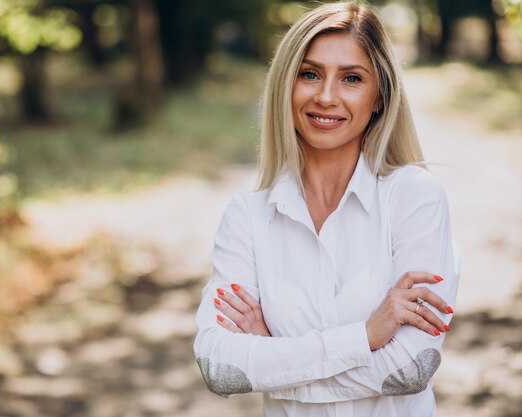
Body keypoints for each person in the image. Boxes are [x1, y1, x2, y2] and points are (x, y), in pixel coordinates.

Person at [193, 1, 460, 416]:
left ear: (380, 97)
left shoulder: (414, 197)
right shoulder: (246, 216)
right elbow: (220, 367)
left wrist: (272, 356)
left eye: (352, 78)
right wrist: (365, 337)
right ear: (287, 84)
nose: (326, 96)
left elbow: (409, 369)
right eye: (309, 74)